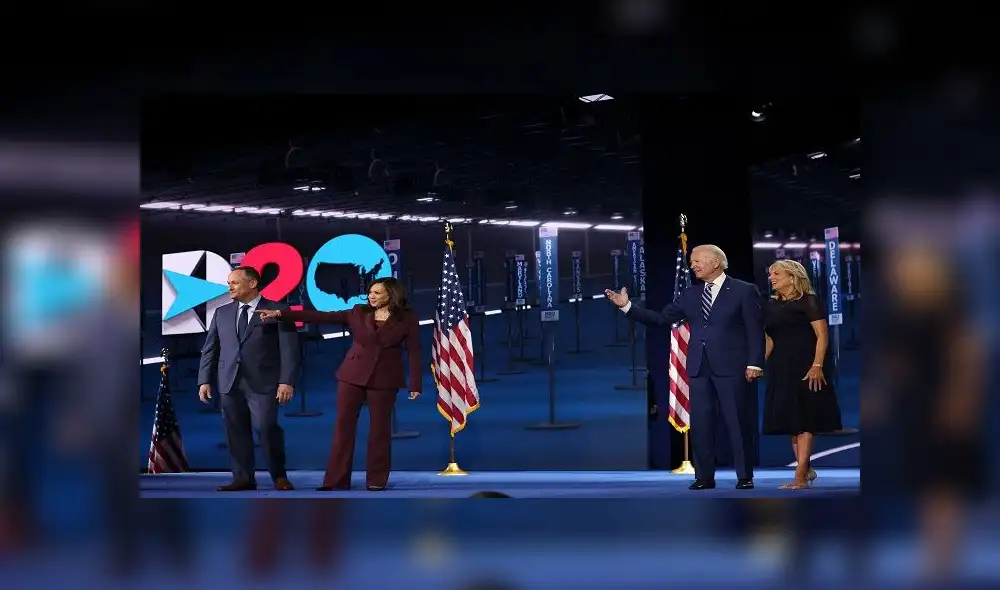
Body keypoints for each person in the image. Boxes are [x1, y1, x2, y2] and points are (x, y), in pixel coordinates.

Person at [605, 244, 764, 490]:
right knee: (701, 424)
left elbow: (755, 330)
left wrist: (755, 362)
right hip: (698, 367)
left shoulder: (744, 290)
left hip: (732, 367)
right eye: (691, 262)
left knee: (737, 423)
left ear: (715, 262)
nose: (692, 266)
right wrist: (627, 307)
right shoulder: (690, 294)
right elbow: (661, 319)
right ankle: (704, 477)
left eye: (697, 261)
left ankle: (744, 476)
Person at [257, 277, 422, 491]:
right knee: (343, 428)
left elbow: (414, 352)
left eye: (377, 293)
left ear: (391, 295)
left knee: (380, 431)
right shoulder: (358, 312)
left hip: (385, 378)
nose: (371, 296)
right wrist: (281, 314)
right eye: (370, 292)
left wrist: (415, 383)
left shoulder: (407, 319)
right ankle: (336, 480)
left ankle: (376, 480)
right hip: (352, 375)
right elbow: (320, 316)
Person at [197, 266, 301, 492]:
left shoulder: (278, 310)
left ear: (252, 283)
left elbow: (289, 349)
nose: (230, 287)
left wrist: (287, 381)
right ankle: (243, 478)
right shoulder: (221, 313)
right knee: (235, 431)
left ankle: (279, 476)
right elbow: (210, 348)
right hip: (229, 381)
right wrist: (204, 380)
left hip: (264, 382)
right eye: (229, 283)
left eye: (234, 283)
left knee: (266, 427)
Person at [762, 259, 842, 490]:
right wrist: (758, 364)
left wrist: (817, 365)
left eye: (776, 274)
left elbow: (822, 336)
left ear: (792, 276)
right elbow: (770, 339)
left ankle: (800, 476)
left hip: (807, 366)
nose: (771, 278)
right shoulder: (771, 305)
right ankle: (805, 469)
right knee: (792, 421)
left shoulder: (808, 301)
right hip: (781, 367)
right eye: (770, 274)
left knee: (806, 419)